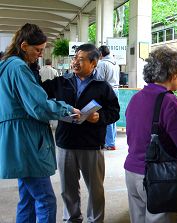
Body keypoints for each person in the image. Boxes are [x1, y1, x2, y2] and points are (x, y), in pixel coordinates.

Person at [0, 23, 80, 223]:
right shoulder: (18, 67)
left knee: (27, 199)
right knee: (45, 200)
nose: (39, 55)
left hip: (17, 139)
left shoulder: (7, 65)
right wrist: (67, 109)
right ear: (24, 45)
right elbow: (38, 106)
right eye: (37, 50)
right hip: (26, 139)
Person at [42, 43, 120, 223]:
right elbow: (38, 91)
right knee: (67, 189)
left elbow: (114, 112)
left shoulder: (102, 87)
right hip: (65, 143)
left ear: (94, 63)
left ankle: (95, 220)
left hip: (91, 144)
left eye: (81, 59)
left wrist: (99, 117)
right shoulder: (61, 82)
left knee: (95, 189)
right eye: (75, 58)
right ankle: (72, 219)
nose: (75, 62)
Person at [124, 46, 177, 223]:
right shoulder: (171, 102)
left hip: (133, 172)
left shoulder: (137, 97)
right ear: (172, 73)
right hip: (160, 177)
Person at [95, 45, 120, 150]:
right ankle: (112, 141)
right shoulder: (115, 63)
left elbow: (99, 79)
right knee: (113, 116)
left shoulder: (102, 63)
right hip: (116, 90)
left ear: (100, 54)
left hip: (107, 91)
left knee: (106, 116)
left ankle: (109, 143)